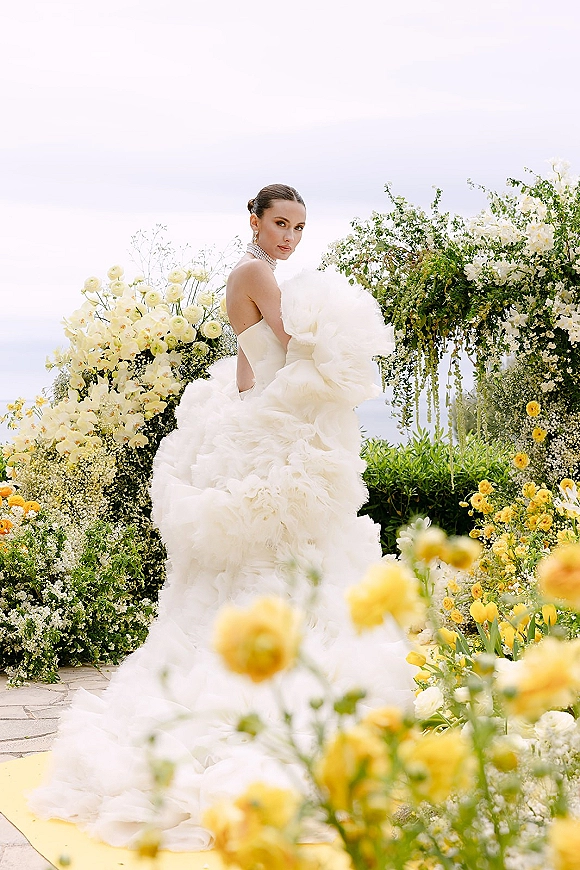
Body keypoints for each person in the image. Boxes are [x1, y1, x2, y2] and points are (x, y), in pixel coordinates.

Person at [30, 184, 413, 851]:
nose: (290, 236)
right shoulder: (256, 271)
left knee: (267, 564)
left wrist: (255, 410)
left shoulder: (251, 273)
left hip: (260, 417)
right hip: (271, 425)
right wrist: (339, 347)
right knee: (282, 557)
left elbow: (249, 361)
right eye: (281, 224)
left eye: (299, 226)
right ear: (255, 222)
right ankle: (267, 698)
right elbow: (294, 345)